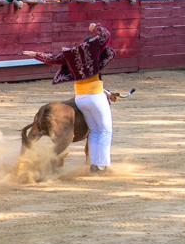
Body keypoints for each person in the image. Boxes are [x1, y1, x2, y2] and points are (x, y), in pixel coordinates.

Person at [23, 22, 120, 174]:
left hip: (80, 97)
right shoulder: (95, 50)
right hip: (95, 96)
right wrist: (96, 26)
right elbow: (106, 35)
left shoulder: (73, 54)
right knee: (104, 130)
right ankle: (99, 165)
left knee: (94, 130)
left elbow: (52, 58)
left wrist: (35, 55)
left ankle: (95, 164)